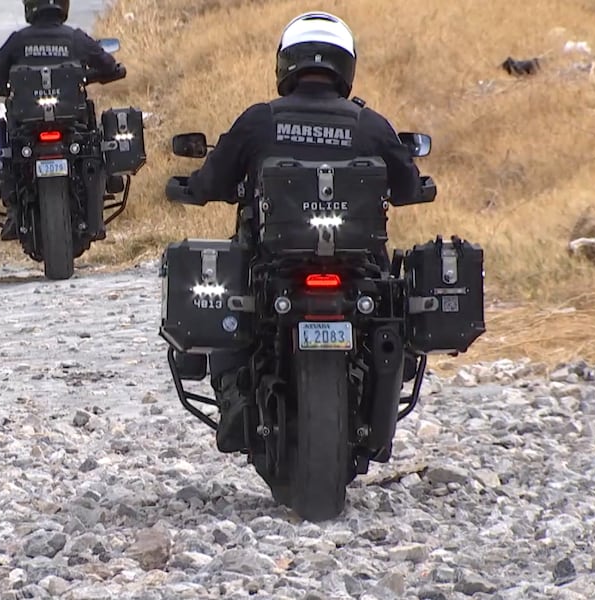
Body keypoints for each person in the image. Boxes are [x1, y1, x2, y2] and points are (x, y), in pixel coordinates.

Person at [181, 11, 422, 454]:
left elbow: (211, 181)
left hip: (273, 265)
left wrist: (190, 188)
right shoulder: (370, 124)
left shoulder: (260, 120)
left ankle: (235, 399)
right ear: (344, 66)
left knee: (232, 296)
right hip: (358, 269)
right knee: (392, 305)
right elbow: (409, 186)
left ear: (285, 63)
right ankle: (382, 390)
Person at [0, 0, 128, 241]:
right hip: (71, 123)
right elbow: (109, 65)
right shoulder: (74, 38)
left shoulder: (18, 40)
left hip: (26, 126)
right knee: (94, 142)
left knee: (7, 147)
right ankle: (105, 186)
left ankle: (12, 208)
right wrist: (111, 71)